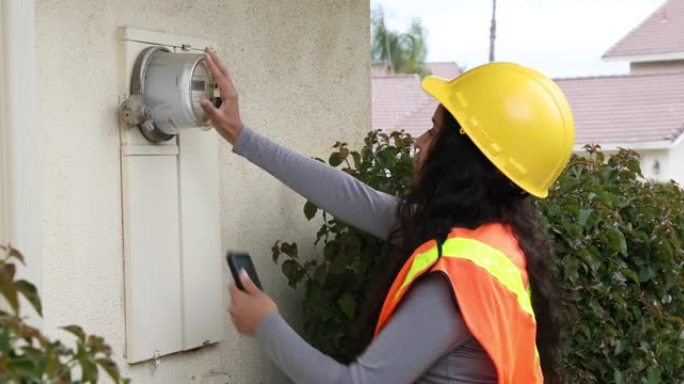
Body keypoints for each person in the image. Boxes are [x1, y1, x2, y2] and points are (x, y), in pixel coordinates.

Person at [200, 48, 575, 384]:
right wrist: (240, 135)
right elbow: (351, 197)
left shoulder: (457, 281)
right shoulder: (493, 242)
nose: (420, 141)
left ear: (464, 160)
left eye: (434, 131)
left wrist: (264, 324)